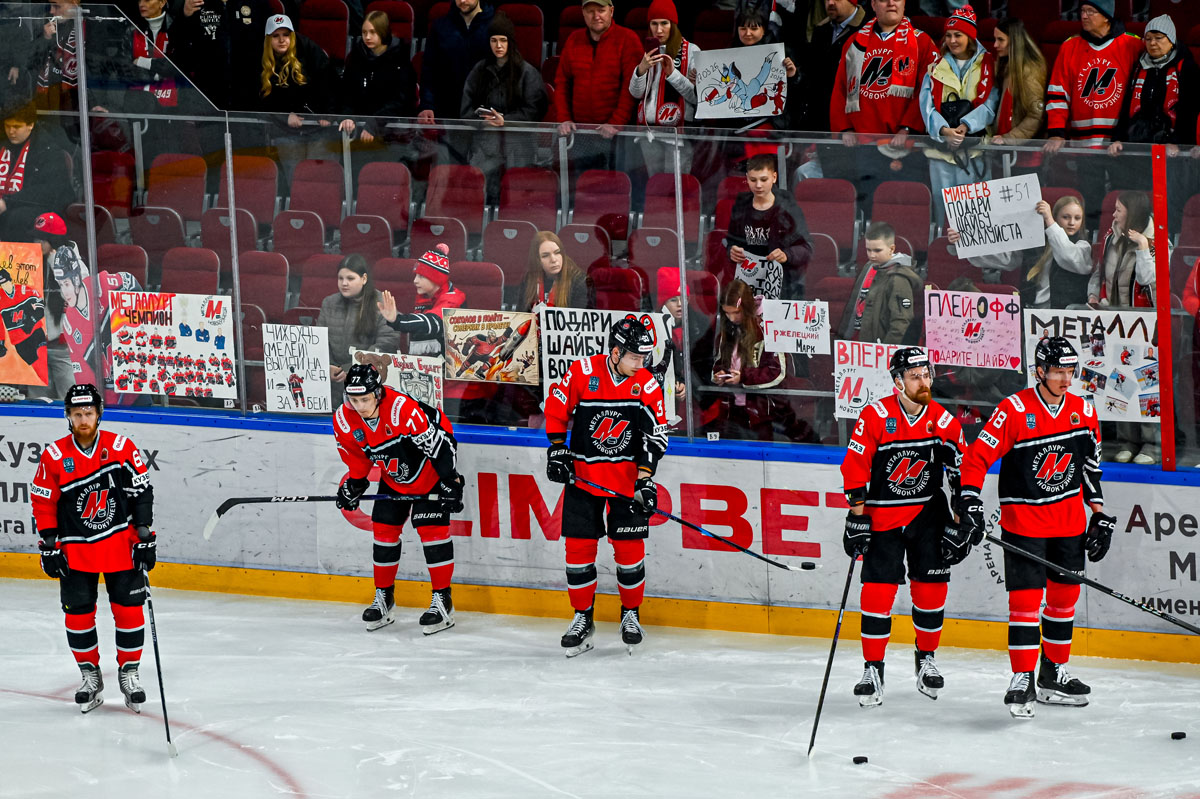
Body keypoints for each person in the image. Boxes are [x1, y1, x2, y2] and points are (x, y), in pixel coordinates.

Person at [957, 336, 1114, 718]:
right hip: (1024, 525)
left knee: (1063, 602)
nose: (1066, 379)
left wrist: (1099, 513)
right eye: (1058, 371)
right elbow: (977, 458)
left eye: (1071, 371)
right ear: (1040, 371)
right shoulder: (1013, 410)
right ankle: (1022, 677)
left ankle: (1053, 674)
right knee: (1025, 604)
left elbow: (1090, 467)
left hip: (1069, 525)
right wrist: (969, 499)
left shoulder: (1083, 411)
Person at [840, 347, 965, 706]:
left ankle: (926, 659)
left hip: (928, 516)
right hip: (882, 517)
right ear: (897, 381)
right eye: (915, 376)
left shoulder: (943, 420)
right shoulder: (876, 415)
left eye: (926, 375)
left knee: (931, 591)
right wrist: (857, 517)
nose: (923, 382)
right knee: (877, 594)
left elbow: (960, 475)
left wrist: (961, 520)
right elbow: (855, 467)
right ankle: (873, 668)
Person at [543, 316, 669, 656]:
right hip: (583, 479)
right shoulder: (583, 372)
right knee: (578, 552)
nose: (640, 364)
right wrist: (557, 449)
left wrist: (645, 478)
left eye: (644, 358)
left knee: (629, 553)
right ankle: (583, 618)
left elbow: (655, 437)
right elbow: (556, 409)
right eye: (635, 357)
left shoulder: (646, 384)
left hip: (625, 484)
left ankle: (631, 614)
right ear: (615, 352)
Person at [31, 383, 157, 713]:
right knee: (78, 615)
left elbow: (141, 492)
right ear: (68, 417)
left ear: (99, 414)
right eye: (77, 414)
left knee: (129, 612)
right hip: (75, 551)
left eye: (88, 413)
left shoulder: (120, 447)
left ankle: (129, 673)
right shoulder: (54, 456)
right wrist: (49, 543)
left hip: (120, 546)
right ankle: (90, 676)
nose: (83, 420)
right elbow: (43, 502)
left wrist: (144, 533)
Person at [332, 362, 465, 634]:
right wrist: (355, 483)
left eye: (365, 399)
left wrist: (450, 480)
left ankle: (443, 601)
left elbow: (440, 444)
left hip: (429, 469)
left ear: (377, 393)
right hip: (394, 476)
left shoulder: (401, 408)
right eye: (354, 400)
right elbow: (357, 456)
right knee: (383, 529)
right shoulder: (344, 419)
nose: (360, 406)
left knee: (431, 530)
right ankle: (384, 597)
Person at [829, 0, 938, 208]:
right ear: (873, 4)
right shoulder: (854, 42)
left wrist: (908, 128)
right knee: (870, 209)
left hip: (907, 146)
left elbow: (929, 91)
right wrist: (845, 128)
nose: (891, 3)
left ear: (904, 3)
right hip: (864, 145)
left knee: (905, 210)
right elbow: (840, 88)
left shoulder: (922, 42)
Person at [1088, 191, 1162, 465]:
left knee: (1146, 383)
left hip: (1145, 327)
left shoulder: (1157, 242)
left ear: (1133, 213)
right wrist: (1093, 295)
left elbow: (1150, 281)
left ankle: (1152, 445)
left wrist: (1142, 248)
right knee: (1119, 380)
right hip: (1115, 324)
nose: (1114, 215)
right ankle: (1127, 441)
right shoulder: (1111, 237)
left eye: (1119, 210)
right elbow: (1099, 273)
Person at [1108, 15, 1200, 217]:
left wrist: (1177, 142)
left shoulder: (1185, 66)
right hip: (1139, 149)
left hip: (1172, 154)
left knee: (1167, 204)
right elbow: (1127, 105)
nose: (1152, 43)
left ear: (1171, 40)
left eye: (1159, 38)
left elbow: (1189, 110)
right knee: (1137, 203)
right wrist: (1118, 138)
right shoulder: (1139, 66)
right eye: (1148, 38)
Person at [919, 5, 998, 227]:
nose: (952, 40)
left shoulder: (988, 64)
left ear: (970, 37)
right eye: (949, 35)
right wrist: (944, 131)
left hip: (975, 152)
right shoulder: (935, 66)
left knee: (977, 217)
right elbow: (926, 105)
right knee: (944, 216)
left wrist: (965, 127)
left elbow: (991, 103)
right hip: (940, 152)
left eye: (958, 35)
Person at [948, 195, 1091, 309]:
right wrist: (963, 241)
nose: (1072, 223)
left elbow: (1067, 256)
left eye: (1077, 218)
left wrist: (1049, 220)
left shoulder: (1082, 246)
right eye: (1066, 217)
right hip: (1030, 307)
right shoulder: (1037, 242)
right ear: (1057, 217)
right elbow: (1006, 259)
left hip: (1062, 312)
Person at [460, 13, 548, 196]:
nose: (498, 46)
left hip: (518, 149)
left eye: (503, 40)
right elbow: (466, 110)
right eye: (493, 40)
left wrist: (505, 120)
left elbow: (534, 111)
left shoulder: (527, 73)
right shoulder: (479, 71)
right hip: (485, 149)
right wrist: (483, 121)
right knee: (482, 197)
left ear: (511, 42)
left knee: (514, 198)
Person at [51, 228, 142, 402]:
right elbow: (84, 374)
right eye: (60, 285)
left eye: (66, 284)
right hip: (108, 397)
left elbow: (132, 284)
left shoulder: (103, 284)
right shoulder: (69, 322)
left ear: (76, 279)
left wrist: (126, 325)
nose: (64, 292)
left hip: (135, 389)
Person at [555, 0, 644, 172]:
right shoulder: (573, 39)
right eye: (590, 11)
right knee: (582, 185)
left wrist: (616, 123)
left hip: (617, 136)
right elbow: (561, 83)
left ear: (611, 11)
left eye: (601, 10)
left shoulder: (628, 39)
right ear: (583, 13)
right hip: (581, 134)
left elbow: (631, 87)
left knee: (616, 185)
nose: (596, 16)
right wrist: (564, 118)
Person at [174, 0, 294, 111]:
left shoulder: (258, 3)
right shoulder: (195, 3)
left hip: (250, 95)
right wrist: (184, 15)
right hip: (208, 98)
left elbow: (277, 46)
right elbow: (177, 44)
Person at [259, 15, 336, 187]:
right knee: (296, 180)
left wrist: (328, 114)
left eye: (286, 35)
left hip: (318, 127)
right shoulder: (260, 58)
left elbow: (330, 84)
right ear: (268, 39)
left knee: (318, 179)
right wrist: (284, 116)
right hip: (286, 129)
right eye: (276, 36)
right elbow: (260, 99)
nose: (282, 40)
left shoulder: (309, 49)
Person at [706, 278, 787, 441]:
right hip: (730, 410)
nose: (731, 318)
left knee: (759, 451)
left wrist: (743, 377)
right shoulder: (725, 334)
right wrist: (719, 374)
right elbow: (719, 363)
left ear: (747, 308)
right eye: (727, 313)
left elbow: (776, 372)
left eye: (736, 313)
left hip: (760, 412)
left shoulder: (766, 330)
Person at [725, 153, 812, 300]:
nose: (758, 185)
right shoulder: (741, 206)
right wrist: (732, 251)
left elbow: (807, 247)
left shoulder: (788, 208)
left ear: (774, 177)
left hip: (782, 282)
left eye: (763, 179)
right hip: (747, 280)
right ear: (747, 178)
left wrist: (787, 254)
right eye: (753, 180)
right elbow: (731, 241)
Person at [627, 0, 700, 174]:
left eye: (664, 23)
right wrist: (641, 70)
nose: (659, 30)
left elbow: (696, 99)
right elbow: (636, 94)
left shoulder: (692, 51)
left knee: (677, 185)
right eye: (654, 24)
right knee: (655, 184)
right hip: (649, 133)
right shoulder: (646, 51)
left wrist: (672, 74)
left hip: (679, 134)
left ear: (673, 25)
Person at [316, 254, 400, 403]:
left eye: (350, 278)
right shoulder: (329, 303)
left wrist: (352, 368)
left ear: (364, 279)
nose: (344, 283)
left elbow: (387, 343)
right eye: (340, 278)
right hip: (331, 384)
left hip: (367, 385)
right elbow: (319, 341)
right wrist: (327, 366)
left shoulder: (382, 304)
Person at [338, 10, 418, 146]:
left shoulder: (400, 60)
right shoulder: (356, 57)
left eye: (372, 32)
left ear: (383, 32)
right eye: (364, 32)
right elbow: (347, 93)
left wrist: (374, 123)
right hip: (359, 130)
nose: (367, 37)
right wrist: (347, 116)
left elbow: (401, 101)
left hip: (392, 133)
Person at [838, 221, 922, 344]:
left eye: (877, 250)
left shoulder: (899, 279)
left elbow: (900, 323)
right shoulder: (869, 266)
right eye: (868, 250)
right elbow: (854, 305)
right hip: (858, 338)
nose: (872, 255)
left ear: (891, 249)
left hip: (878, 345)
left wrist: (885, 350)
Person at [376, 243, 466, 357]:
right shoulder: (424, 297)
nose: (415, 281)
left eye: (421, 276)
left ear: (436, 278)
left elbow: (432, 322)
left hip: (451, 360)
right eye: (416, 276)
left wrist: (397, 320)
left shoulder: (454, 298)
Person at [0, 101, 73, 240]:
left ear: (30, 125)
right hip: (7, 203)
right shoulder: (2, 144)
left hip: (33, 208)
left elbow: (48, 191)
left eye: (17, 126)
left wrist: (7, 202)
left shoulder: (47, 149)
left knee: (16, 218)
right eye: (7, 126)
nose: (11, 131)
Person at [418, 0, 495, 128]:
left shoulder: (495, 25)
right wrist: (427, 105)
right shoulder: (440, 26)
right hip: (446, 110)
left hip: (484, 112)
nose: (462, 1)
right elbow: (429, 69)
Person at [798, 0, 868, 132]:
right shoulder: (821, 29)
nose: (830, 3)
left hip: (852, 124)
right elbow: (812, 74)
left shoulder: (869, 30)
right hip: (819, 120)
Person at [989, 19, 1046, 149]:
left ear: (1014, 42)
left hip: (1023, 151)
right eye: (995, 39)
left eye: (1000, 40)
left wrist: (1009, 138)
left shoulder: (1029, 71)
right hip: (1003, 145)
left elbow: (1036, 115)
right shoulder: (1005, 65)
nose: (995, 45)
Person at [518, 231, 589, 311]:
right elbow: (521, 314)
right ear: (537, 260)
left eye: (557, 253)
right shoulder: (529, 279)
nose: (554, 260)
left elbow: (579, 317)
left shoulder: (580, 281)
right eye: (545, 255)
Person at [0, 264, 47, 384]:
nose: (5, 286)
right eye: (1, 284)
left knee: (44, 360)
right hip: (19, 342)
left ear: (10, 280)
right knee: (39, 370)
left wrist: (31, 322)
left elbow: (41, 307)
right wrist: (1, 343)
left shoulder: (25, 290)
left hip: (35, 334)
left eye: (6, 282)